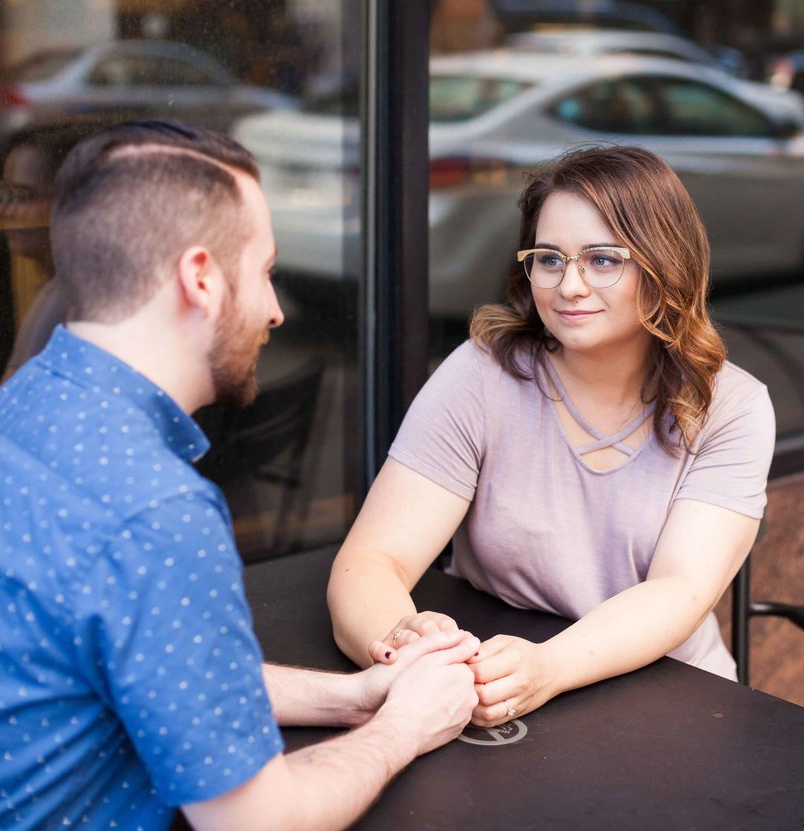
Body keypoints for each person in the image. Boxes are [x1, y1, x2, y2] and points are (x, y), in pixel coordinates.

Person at [0, 120, 479, 831]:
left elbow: (158, 673)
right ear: (202, 278)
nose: (275, 310)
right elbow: (257, 822)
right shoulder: (153, 507)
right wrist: (407, 726)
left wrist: (359, 694)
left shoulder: (24, 403)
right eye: (265, 272)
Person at [325, 145, 775, 729]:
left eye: (603, 259)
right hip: (498, 681)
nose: (571, 286)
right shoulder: (481, 376)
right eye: (549, 259)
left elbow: (680, 591)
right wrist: (403, 644)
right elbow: (371, 561)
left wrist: (547, 668)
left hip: (670, 701)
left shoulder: (732, 407)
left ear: (665, 264)